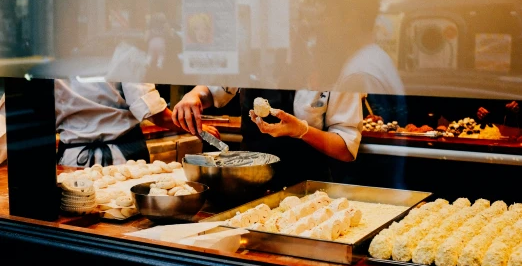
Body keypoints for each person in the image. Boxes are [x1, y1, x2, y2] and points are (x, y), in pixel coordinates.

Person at [172, 87, 363, 187]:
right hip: (248, 182)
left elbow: (345, 149)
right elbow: (212, 90)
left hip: (307, 186)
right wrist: (193, 96)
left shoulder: (337, 68)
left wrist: (302, 131)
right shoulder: (254, 54)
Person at [55, 80, 175, 167]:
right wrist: (190, 124)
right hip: (123, 159)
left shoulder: (51, 53)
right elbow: (151, 110)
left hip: (72, 160)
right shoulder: (126, 49)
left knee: (75, 202)